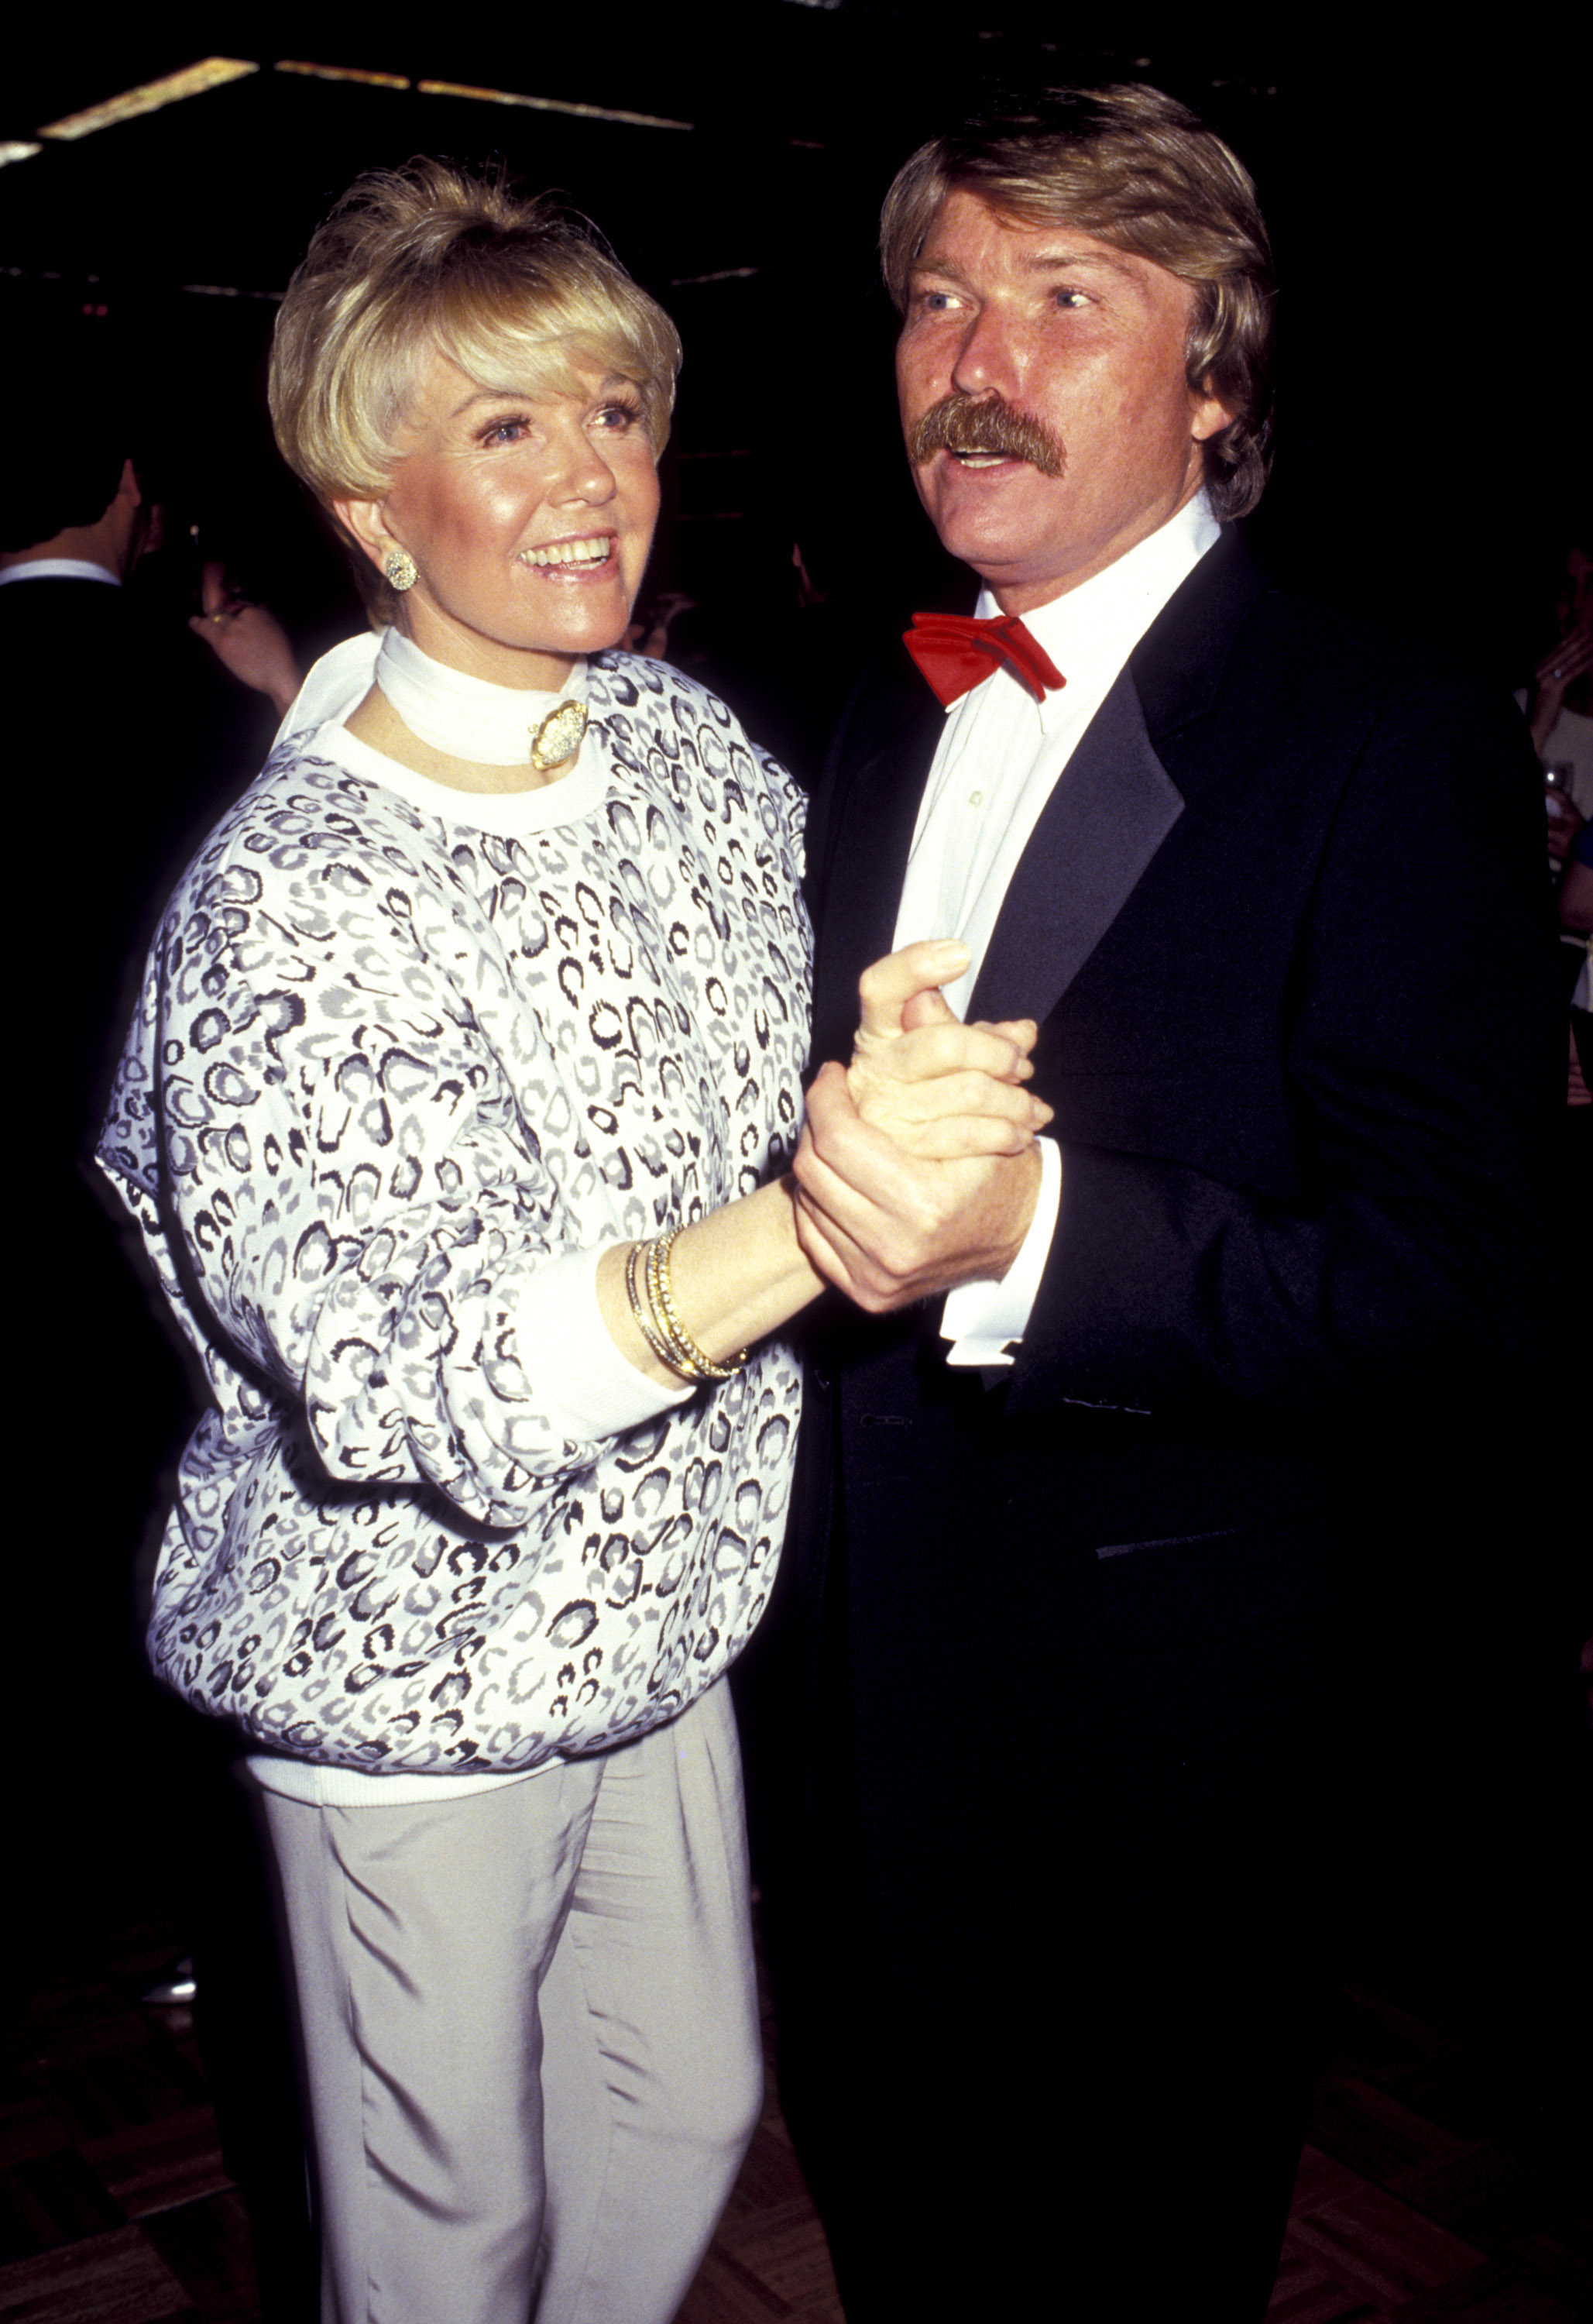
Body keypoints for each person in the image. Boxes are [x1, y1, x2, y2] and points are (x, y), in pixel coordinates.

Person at [94, 160, 1042, 2324]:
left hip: (655, 1617)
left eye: (615, 410)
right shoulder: (295, 897)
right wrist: (823, 1215)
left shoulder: (680, 748)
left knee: (685, 2111)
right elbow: (415, 1379)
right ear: (369, 495)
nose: (590, 477)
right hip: (407, 1654)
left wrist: (883, 1045)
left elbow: (786, 1049)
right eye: (505, 425)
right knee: (452, 2231)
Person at [747, 84, 1557, 2319]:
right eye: (937, 301)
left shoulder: (1384, 734)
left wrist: (1032, 1238)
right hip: (850, 1715)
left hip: (1158, 1767)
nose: (973, 361)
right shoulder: (882, 709)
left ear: (1214, 376)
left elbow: (1460, 1289)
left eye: (1063, 300)